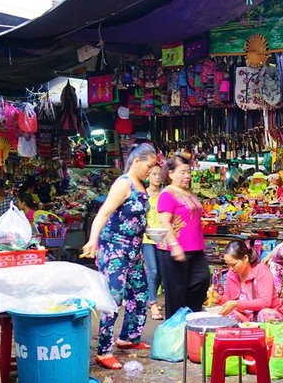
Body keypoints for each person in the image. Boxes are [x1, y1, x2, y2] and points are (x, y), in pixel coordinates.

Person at [81, 144, 158, 370]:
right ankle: (104, 351)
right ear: (136, 161)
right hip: (115, 249)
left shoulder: (140, 185)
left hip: (134, 250)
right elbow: (103, 213)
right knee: (113, 298)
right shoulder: (123, 184)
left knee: (140, 294)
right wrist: (92, 240)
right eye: (149, 165)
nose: (151, 170)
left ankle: (128, 338)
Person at [156, 154, 211, 317]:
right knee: (176, 294)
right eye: (182, 172)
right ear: (170, 173)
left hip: (196, 248)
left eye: (188, 172)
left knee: (202, 281)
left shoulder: (188, 192)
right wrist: (174, 246)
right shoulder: (167, 194)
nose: (187, 176)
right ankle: (175, 333)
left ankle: (190, 321)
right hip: (174, 250)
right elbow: (164, 222)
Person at [215, 240, 283, 323]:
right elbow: (229, 299)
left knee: (264, 314)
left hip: (269, 314)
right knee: (226, 314)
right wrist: (218, 299)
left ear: (245, 258)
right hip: (246, 318)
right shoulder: (231, 274)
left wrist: (236, 304)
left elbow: (265, 302)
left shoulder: (261, 271)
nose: (231, 269)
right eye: (228, 265)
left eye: (234, 264)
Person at [142, 163, 164, 321]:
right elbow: (140, 217)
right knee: (153, 271)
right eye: (154, 174)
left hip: (163, 237)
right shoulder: (143, 195)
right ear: (148, 176)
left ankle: (149, 299)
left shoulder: (165, 194)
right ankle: (154, 304)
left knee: (161, 272)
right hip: (148, 238)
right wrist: (147, 228)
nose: (157, 177)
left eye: (159, 174)